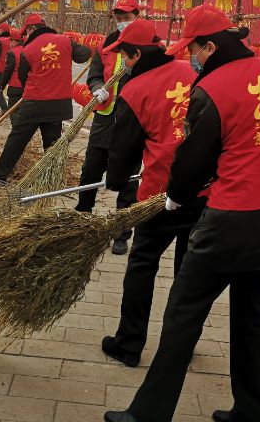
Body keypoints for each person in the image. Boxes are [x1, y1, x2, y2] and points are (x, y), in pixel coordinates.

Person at [104, 5, 260, 422]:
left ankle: (147, 415)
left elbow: (194, 159)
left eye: (194, 49)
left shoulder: (211, 89)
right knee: (251, 315)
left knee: (183, 313)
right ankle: (253, 413)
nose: (191, 58)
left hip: (231, 221)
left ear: (210, 46)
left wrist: (176, 195)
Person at [96, 18, 201, 368]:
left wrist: (116, 181)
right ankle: (181, 345)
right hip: (205, 191)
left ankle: (129, 344)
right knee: (189, 271)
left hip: (160, 194)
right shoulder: (193, 72)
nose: (123, 63)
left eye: (125, 57)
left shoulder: (135, 89)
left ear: (137, 55)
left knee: (143, 264)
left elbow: (123, 150)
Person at [0, 14, 91, 183]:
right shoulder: (65, 41)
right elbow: (84, 55)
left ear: (32, 29)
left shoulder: (28, 49)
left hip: (35, 103)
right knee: (52, 144)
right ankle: (52, 180)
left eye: (26, 32)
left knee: (17, 138)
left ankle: (1, 174)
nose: (25, 36)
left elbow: (23, 77)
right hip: (59, 104)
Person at [75, 0, 141, 255]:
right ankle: (82, 221)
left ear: (137, 16)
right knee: (90, 172)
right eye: (119, 17)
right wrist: (96, 88)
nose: (123, 21)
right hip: (105, 118)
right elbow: (94, 74)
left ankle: (122, 233)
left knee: (128, 181)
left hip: (132, 123)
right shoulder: (106, 44)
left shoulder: (148, 47)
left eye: (127, 17)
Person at [0, 28, 25, 109]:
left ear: (14, 42)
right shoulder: (27, 50)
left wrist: (2, 85)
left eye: (11, 41)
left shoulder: (12, 52)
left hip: (15, 86)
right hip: (26, 87)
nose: (10, 43)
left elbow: (8, 70)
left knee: (13, 111)